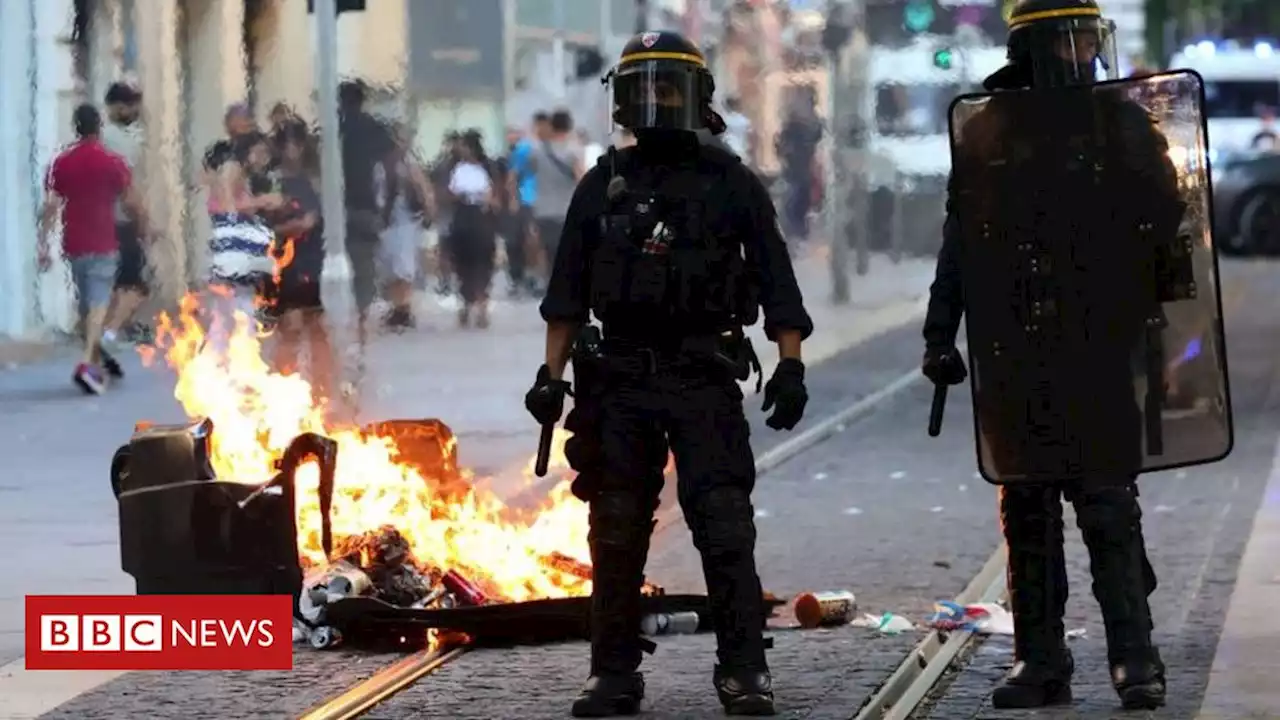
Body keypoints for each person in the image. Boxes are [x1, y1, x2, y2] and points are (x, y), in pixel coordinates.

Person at [524, 31, 812, 717]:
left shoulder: (732, 182)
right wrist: (549, 375)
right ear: (625, 98)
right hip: (618, 380)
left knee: (723, 524)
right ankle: (612, 673)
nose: (655, 101)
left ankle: (743, 670)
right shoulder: (603, 183)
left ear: (694, 98)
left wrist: (791, 366)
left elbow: (778, 284)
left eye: (667, 88)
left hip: (702, 375)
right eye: (643, 87)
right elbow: (566, 294)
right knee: (616, 530)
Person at [922, 0, 1182, 710]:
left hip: (1097, 341)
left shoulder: (1118, 121)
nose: (1080, 53)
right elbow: (960, 241)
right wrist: (938, 334)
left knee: (1106, 503)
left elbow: (1169, 221)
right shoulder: (990, 127)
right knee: (1028, 509)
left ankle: (1136, 657)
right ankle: (1041, 661)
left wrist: (1155, 313)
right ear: (1030, 45)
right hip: (1017, 346)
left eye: (1087, 38)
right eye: (1064, 39)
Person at [39, 104, 151, 394]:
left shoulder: (60, 163)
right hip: (103, 240)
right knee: (99, 304)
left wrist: (43, 244)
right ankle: (88, 363)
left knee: (88, 304)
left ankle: (97, 355)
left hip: (73, 243)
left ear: (76, 127)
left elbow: (50, 206)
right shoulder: (112, 162)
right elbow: (132, 201)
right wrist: (143, 226)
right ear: (99, 128)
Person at [265, 121, 332, 400]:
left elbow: (311, 220)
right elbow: (265, 220)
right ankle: (283, 388)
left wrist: (291, 227)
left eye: (296, 144)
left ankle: (322, 386)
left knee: (316, 325)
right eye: (287, 144)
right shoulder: (273, 181)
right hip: (284, 263)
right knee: (289, 327)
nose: (292, 150)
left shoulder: (313, 181)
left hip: (313, 258)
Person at [338, 80, 394, 344]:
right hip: (366, 208)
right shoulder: (375, 129)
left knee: (335, 264)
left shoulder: (332, 127)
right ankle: (359, 320)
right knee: (363, 267)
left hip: (335, 208)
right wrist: (387, 209)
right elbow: (391, 169)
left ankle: (342, 320)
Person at [101, 82, 151, 352]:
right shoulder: (119, 140)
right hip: (122, 219)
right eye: (130, 105)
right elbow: (127, 187)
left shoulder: (107, 136)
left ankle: (109, 329)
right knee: (136, 284)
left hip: (106, 219)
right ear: (117, 107)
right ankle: (109, 333)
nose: (135, 110)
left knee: (119, 281)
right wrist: (142, 219)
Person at [375, 122, 434, 330]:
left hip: (405, 221)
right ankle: (398, 306)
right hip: (388, 220)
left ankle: (404, 308)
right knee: (391, 266)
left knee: (404, 266)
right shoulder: (380, 163)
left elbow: (423, 188)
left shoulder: (408, 163)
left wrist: (428, 211)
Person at [446, 132, 497, 328]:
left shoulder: (488, 168)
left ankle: (482, 306)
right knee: (463, 262)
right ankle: (466, 304)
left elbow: (494, 195)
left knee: (483, 262)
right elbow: (451, 192)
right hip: (462, 216)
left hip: (482, 218)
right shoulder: (456, 168)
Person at [529, 109, 585, 283]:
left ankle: (549, 283)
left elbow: (530, 170)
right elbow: (581, 179)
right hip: (567, 211)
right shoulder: (574, 150)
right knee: (568, 251)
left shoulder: (538, 151)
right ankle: (566, 284)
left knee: (547, 250)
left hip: (543, 211)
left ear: (552, 126)